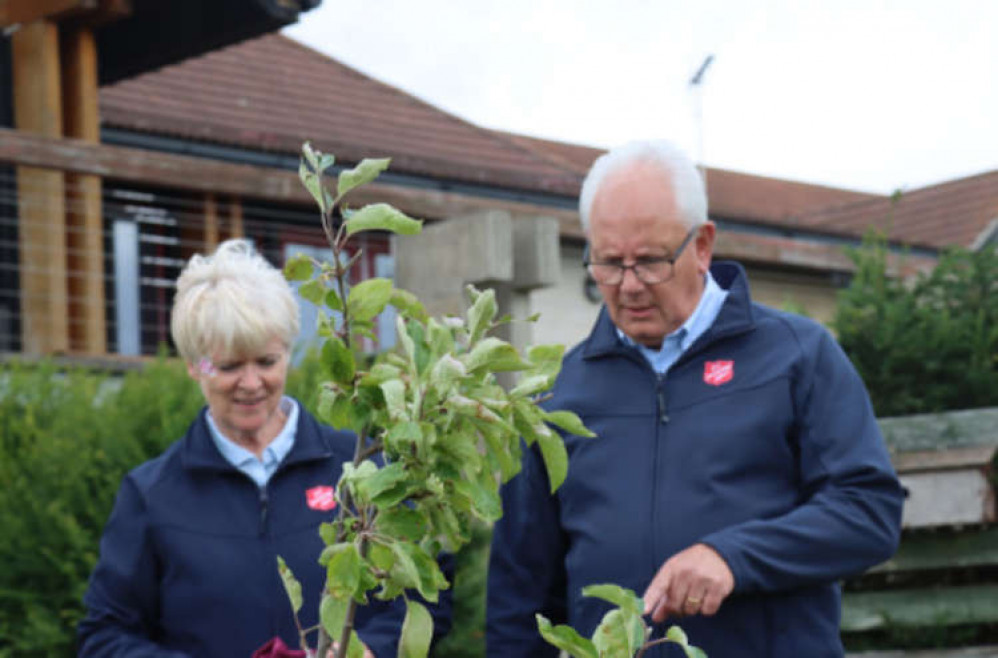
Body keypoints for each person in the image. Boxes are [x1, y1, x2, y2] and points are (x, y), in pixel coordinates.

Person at [486, 141, 905, 657]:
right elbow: (518, 596)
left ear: (702, 246)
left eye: (651, 262)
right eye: (609, 263)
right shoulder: (559, 393)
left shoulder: (797, 356)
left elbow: (868, 513)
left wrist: (733, 557)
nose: (630, 285)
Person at [79, 239, 451, 658]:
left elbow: (425, 597)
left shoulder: (363, 470)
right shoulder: (152, 495)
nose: (252, 383)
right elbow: (105, 636)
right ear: (194, 365)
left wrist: (372, 651)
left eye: (267, 361)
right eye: (229, 366)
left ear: (288, 354)